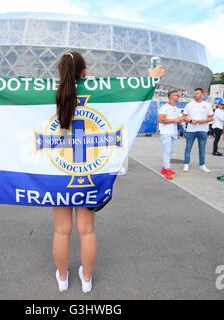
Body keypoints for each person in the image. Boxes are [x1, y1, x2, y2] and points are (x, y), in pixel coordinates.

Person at [52, 51, 164, 293]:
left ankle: (62, 278)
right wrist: (151, 80)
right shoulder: (100, 93)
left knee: (61, 230)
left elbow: (10, 98)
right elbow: (130, 95)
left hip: (59, 172)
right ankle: (87, 279)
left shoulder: (49, 93)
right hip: (90, 173)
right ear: (84, 73)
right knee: (87, 230)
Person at [182, 88, 213, 173]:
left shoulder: (207, 105)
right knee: (188, 148)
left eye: (197, 93)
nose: (195, 95)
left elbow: (211, 117)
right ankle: (186, 164)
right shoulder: (189, 105)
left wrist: (205, 121)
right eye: (195, 93)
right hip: (191, 130)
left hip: (203, 130)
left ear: (202, 94)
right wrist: (191, 121)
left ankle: (202, 165)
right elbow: (184, 117)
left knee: (202, 148)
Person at [158, 91, 183, 180]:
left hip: (174, 132)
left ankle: (164, 168)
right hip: (166, 132)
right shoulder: (164, 107)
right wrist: (174, 120)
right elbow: (161, 119)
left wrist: (180, 120)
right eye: (176, 95)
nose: (178, 96)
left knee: (170, 151)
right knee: (167, 151)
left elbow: (179, 119)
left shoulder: (176, 108)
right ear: (171, 97)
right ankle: (167, 169)